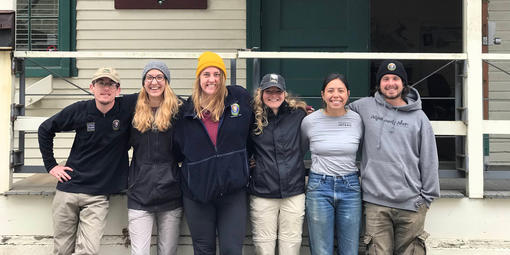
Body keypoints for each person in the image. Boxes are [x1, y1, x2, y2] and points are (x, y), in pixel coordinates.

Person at [38, 67, 137, 255]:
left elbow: (155, 89)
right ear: (92, 87)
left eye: (110, 84)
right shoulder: (80, 109)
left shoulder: (126, 108)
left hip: (97, 196)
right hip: (68, 190)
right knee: (62, 250)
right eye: (101, 83)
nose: (105, 88)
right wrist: (51, 165)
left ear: (118, 89)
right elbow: (45, 129)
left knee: (88, 251)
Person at [348, 60, 440, 255]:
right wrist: (304, 112)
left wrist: (426, 198)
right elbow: (336, 111)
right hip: (375, 203)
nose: (390, 83)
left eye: (396, 79)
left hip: (412, 203)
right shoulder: (363, 107)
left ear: (404, 84)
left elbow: (429, 159)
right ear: (379, 84)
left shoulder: (419, 118)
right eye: (385, 79)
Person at [173, 51, 253, 254]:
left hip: (233, 191)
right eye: (206, 74)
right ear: (199, 78)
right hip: (197, 194)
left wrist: (295, 108)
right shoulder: (185, 112)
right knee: (203, 250)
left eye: (217, 74)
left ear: (223, 78)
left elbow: (258, 121)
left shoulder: (239, 99)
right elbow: (177, 151)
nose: (212, 79)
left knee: (231, 250)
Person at [301, 73, 363, 255]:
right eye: (330, 90)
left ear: (348, 94)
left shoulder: (357, 120)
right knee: (321, 250)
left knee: (350, 249)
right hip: (319, 187)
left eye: (340, 90)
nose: (335, 95)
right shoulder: (309, 121)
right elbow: (297, 150)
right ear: (322, 95)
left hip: (350, 187)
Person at [249, 73, 308, 255]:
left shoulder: (299, 114)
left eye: (278, 91)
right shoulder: (252, 118)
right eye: (268, 91)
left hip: (293, 191)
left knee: (291, 246)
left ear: (284, 93)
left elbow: (307, 142)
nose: (273, 95)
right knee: (263, 246)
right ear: (261, 93)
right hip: (263, 191)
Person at [127, 61, 183, 255]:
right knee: (139, 252)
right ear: (143, 82)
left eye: (160, 77)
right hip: (139, 193)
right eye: (149, 77)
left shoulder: (179, 110)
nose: (154, 82)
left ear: (166, 81)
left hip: (171, 192)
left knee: (167, 251)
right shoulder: (131, 108)